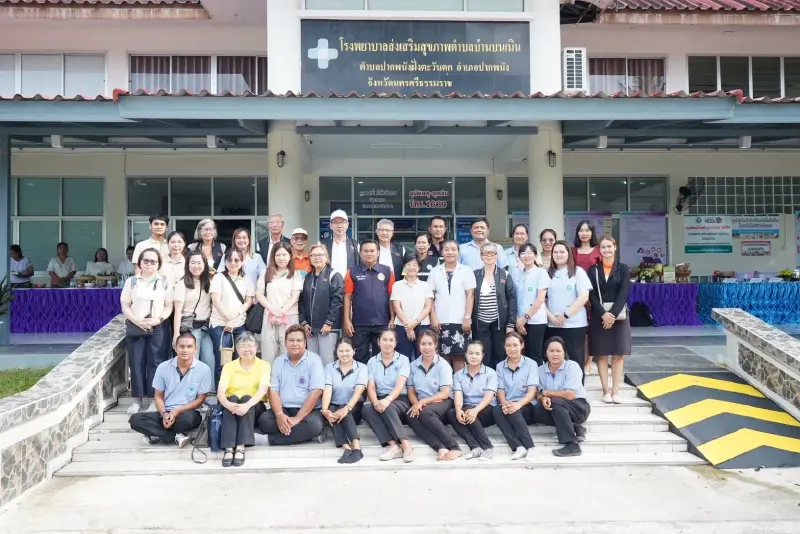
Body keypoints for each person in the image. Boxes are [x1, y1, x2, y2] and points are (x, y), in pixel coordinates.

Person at [129, 331, 212, 448]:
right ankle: (175, 436)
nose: (185, 350)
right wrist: (164, 414)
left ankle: (159, 434)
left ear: (195, 348)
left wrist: (178, 410)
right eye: (181, 346)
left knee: (186, 420)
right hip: (165, 411)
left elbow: (201, 399)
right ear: (175, 347)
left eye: (189, 346)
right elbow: (158, 396)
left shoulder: (204, 369)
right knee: (135, 420)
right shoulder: (163, 367)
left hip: (187, 413)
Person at [120, 247, 173, 415]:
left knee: (155, 364)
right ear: (140, 263)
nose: (149, 263)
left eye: (153, 261)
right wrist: (137, 321)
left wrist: (158, 320)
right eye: (146, 260)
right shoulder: (132, 282)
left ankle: (153, 399)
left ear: (158, 264)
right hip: (136, 326)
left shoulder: (164, 282)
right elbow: (125, 304)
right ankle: (137, 400)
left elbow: (169, 305)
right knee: (136, 363)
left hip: (157, 328)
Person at [257, 325, 326, 446]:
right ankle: (303, 435)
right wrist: (279, 415)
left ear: (305, 342)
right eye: (291, 340)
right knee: (264, 421)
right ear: (285, 342)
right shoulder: (278, 362)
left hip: (308, 412)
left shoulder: (314, 360)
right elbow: (273, 391)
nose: (295, 344)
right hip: (285, 409)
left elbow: (316, 392)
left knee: (315, 425)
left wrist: (298, 418)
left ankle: (269, 440)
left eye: (299, 340)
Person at [587, 236, 631, 404]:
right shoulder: (593, 270)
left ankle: (616, 391)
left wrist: (611, 314)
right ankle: (605, 390)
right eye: (603, 247)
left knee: (619, 354)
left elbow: (623, 293)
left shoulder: (623, 269)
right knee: (601, 354)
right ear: (599, 250)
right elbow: (590, 294)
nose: (606, 250)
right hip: (599, 316)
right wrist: (603, 314)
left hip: (618, 316)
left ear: (615, 247)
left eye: (609, 246)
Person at [217, 331, 270, 467]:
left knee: (247, 398)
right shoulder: (229, 366)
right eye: (243, 346)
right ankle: (229, 448)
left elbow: (263, 390)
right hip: (232, 406)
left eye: (250, 345)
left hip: (254, 406)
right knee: (233, 398)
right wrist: (228, 404)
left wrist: (246, 405)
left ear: (256, 347)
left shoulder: (264, 365)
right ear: (237, 349)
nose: (247, 349)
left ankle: (240, 446)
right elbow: (221, 392)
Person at [406, 330, 461, 461]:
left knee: (425, 413)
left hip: (443, 401)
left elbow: (444, 393)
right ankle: (440, 447)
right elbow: (411, 391)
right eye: (423, 344)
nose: (426, 347)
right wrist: (416, 404)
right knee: (410, 415)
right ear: (419, 345)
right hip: (425, 405)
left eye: (430, 343)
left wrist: (422, 403)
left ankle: (454, 447)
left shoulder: (443, 365)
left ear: (436, 345)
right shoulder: (413, 366)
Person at [362, 328, 415, 462]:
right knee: (367, 409)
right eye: (384, 340)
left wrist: (387, 400)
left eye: (391, 340)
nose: (387, 343)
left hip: (399, 399)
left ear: (396, 343)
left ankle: (406, 445)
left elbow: (400, 385)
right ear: (378, 342)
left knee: (389, 406)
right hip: (379, 399)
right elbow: (371, 386)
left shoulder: (403, 360)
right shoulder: (372, 362)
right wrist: (375, 403)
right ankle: (393, 445)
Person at [534, 336, 591, 457]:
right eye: (551, 351)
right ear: (546, 353)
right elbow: (538, 392)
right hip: (558, 408)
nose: (555, 354)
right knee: (536, 410)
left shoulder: (572, 366)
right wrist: (542, 398)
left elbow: (570, 395)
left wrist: (548, 394)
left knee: (556, 402)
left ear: (564, 352)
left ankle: (572, 445)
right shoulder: (539, 370)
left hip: (578, 407)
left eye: (558, 351)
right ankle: (575, 428)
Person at [545, 240, 592, 382]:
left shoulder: (578, 272)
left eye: (562, 251)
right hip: (553, 324)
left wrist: (566, 315)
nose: (558, 254)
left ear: (569, 254)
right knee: (555, 358)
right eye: (555, 252)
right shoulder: (547, 273)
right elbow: (542, 298)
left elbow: (584, 297)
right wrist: (550, 316)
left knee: (575, 359)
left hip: (574, 324)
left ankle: (578, 393)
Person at [343, 239, 395, 364]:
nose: (369, 253)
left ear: (378, 253)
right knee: (360, 357)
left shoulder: (388, 271)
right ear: (360, 253)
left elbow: (391, 296)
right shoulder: (352, 272)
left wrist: (393, 318)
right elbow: (347, 297)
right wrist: (346, 320)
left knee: (382, 357)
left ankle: (379, 383)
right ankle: (362, 383)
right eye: (365, 251)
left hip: (382, 322)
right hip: (359, 324)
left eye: (372, 251)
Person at [208, 248, 255, 385]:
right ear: (225, 261)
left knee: (240, 360)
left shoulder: (246, 279)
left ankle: (237, 393)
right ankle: (221, 398)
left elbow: (249, 300)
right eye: (230, 260)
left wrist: (236, 313)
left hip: (239, 325)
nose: (233, 263)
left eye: (236, 260)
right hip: (220, 325)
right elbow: (215, 299)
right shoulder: (218, 277)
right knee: (223, 362)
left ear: (242, 261)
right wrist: (225, 315)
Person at [428, 240, 475, 372]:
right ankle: (446, 390)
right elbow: (430, 297)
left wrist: (467, 317)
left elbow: (470, 295)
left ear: (458, 252)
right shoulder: (435, 271)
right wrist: (433, 317)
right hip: (440, 320)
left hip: (460, 320)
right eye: (447, 249)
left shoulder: (466, 270)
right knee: (442, 357)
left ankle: (458, 390)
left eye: (453, 249)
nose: (450, 252)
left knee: (459, 357)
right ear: (442, 252)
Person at [446, 340, 497, 461]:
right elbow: (458, 395)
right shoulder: (458, 375)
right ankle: (475, 447)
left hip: (485, 410)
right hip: (468, 412)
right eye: (471, 353)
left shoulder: (490, 373)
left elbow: (489, 396)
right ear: (466, 355)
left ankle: (488, 448)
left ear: (483, 355)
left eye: (477, 353)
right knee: (452, 413)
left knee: (468, 410)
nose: (474, 356)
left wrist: (476, 410)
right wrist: (458, 410)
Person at [493, 332, 539, 460]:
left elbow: (532, 392)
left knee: (514, 410)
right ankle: (519, 446)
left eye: (515, 345)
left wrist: (517, 404)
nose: (512, 348)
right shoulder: (500, 366)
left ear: (522, 345)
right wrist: (504, 402)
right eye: (508, 345)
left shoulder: (531, 364)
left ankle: (530, 447)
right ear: (504, 347)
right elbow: (500, 389)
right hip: (508, 403)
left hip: (526, 405)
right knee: (497, 410)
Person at [321, 338, 368, 464]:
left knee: (344, 411)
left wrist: (347, 408)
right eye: (341, 351)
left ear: (354, 351)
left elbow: (359, 392)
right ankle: (346, 448)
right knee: (331, 413)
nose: (344, 354)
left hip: (354, 407)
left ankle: (357, 447)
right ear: (336, 352)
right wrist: (325, 410)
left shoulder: (362, 368)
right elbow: (328, 389)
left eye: (347, 350)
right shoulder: (329, 368)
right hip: (335, 406)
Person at [473, 242, 517, 367]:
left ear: (497, 255)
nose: (489, 255)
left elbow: (512, 299)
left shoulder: (504, 274)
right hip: (480, 322)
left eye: (492, 253)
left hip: (500, 322)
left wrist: (510, 323)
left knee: (500, 353)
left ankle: (499, 383)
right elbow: (469, 297)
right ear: (481, 256)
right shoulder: (474, 274)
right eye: (485, 253)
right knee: (483, 354)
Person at [257, 242, 303, 362]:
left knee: (289, 352)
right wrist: (273, 310)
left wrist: (281, 312)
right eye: (278, 255)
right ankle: (270, 380)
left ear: (290, 256)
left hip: (289, 317)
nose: (281, 258)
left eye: (284, 254)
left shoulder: (295, 274)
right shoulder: (266, 273)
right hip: (269, 317)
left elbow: (295, 297)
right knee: (268, 354)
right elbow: (259, 294)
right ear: (273, 256)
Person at [299, 243, 344, 365]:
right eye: (313, 255)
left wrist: (329, 322)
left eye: (320, 255)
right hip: (310, 328)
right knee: (312, 361)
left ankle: (327, 384)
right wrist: (303, 322)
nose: (317, 257)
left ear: (327, 258)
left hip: (327, 328)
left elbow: (337, 300)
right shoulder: (307, 277)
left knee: (327, 360)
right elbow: (301, 301)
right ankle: (315, 384)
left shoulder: (334, 275)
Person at [172, 249, 214, 370]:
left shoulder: (209, 282)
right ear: (188, 265)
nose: (196, 266)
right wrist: (176, 334)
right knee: (192, 362)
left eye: (199, 263)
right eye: (193, 263)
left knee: (209, 360)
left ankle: (208, 388)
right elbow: (178, 310)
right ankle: (190, 388)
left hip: (205, 328)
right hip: (190, 328)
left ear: (205, 264)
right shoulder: (182, 284)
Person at [572, 220, 602, 376]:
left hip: (593, 296)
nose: (584, 233)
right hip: (575, 296)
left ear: (592, 233)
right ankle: (577, 360)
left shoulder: (598, 251)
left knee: (591, 331)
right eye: (581, 230)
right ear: (577, 233)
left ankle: (589, 362)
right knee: (580, 331)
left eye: (587, 230)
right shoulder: (572, 251)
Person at [391, 255, 433, 360]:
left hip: (422, 326)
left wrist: (414, 323)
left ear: (419, 268)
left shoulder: (425, 285)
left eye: (415, 265)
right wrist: (408, 328)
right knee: (403, 357)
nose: (411, 267)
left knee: (423, 356)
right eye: (408, 264)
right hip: (402, 326)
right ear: (404, 267)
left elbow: (427, 308)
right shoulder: (397, 285)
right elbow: (397, 307)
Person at [515, 242, 550, 365]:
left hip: (536, 321)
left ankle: (536, 383)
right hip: (519, 321)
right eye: (523, 253)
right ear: (519, 257)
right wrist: (519, 321)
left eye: (530, 253)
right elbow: (515, 298)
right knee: (522, 355)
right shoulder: (517, 274)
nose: (526, 256)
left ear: (535, 255)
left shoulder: (541, 273)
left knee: (535, 355)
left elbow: (540, 299)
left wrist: (525, 318)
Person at [321, 210, 359, 278]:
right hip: (327, 284)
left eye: (342, 222)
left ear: (347, 225)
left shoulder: (355, 245)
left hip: (349, 284)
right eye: (335, 222)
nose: (339, 226)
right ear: (330, 225)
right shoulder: (322, 244)